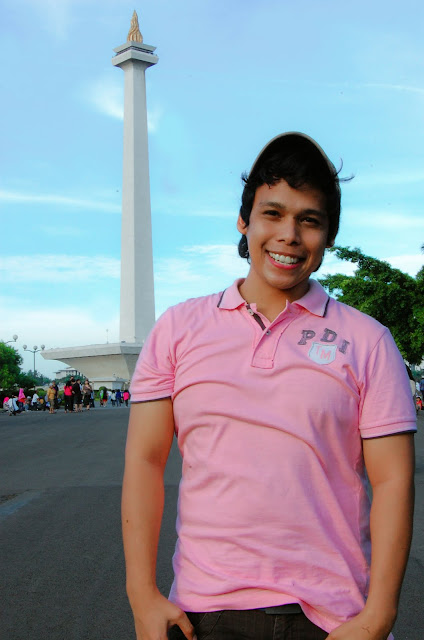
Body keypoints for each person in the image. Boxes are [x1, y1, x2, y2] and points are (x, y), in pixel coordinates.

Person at [122, 132, 416, 640]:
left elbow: (393, 481)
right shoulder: (177, 329)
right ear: (244, 221)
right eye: (272, 214)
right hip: (205, 614)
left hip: (334, 618)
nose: (289, 235)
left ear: (329, 234)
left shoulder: (369, 341)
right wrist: (142, 596)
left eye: (310, 220)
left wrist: (378, 616)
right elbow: (145, 461)